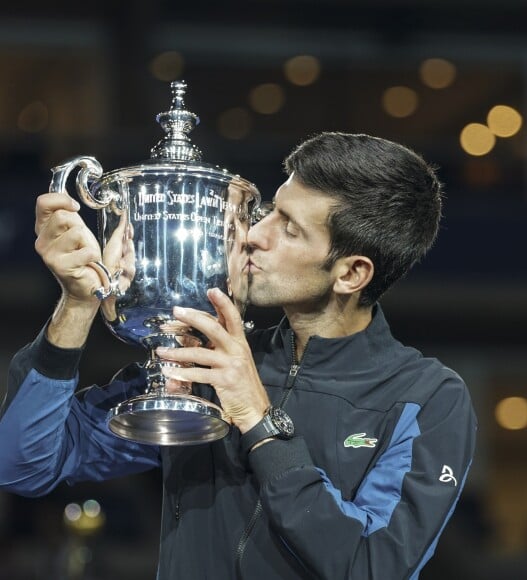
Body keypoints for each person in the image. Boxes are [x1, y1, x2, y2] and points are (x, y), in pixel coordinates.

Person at [0, 132, 477, 579]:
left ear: (351, 273)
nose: (252, 235)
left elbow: (372, 564)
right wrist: (78, 305)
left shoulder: (429, 398)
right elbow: (23, 464)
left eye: (289, 229)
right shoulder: (208, 360)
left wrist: (258, 420)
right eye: (269, 210)